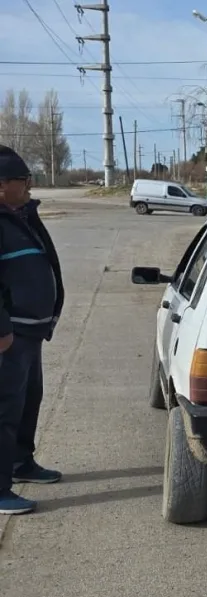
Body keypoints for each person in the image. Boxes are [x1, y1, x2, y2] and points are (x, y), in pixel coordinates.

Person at [0, 145, 65, 515]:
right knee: (4, 409)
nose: (29, 186)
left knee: (28, 401)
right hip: (8, 335)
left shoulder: (22, 215)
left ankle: (20, 462)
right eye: (22, 180)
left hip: (30, 332)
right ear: (1, 185)